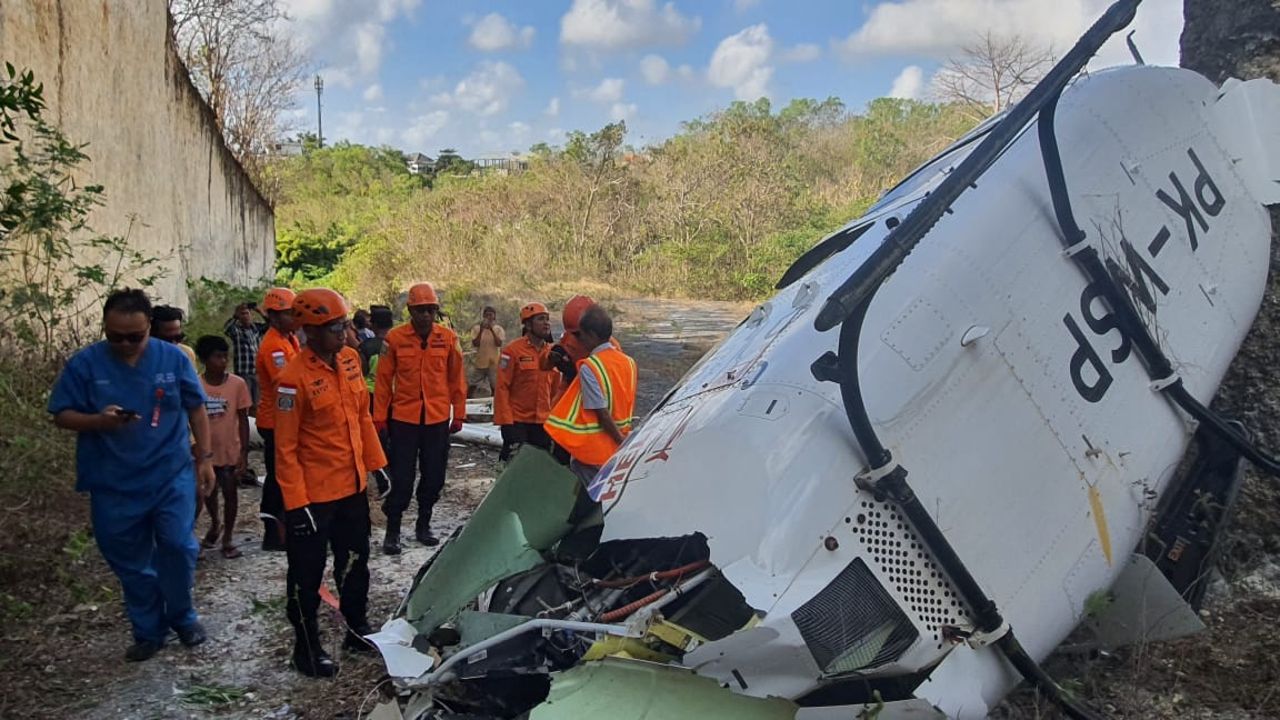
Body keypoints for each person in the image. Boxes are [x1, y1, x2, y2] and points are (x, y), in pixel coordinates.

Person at [47, 289, 215, 662]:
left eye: (134, 336)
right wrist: (97, 421)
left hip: (169, 474)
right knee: (130, 560)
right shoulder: (85, 365)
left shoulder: (172, 359)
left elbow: (196, 409)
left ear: (149, 328)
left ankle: (183, 616)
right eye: (115, 336)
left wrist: (204, 458)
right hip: (114, 481)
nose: (125, 344)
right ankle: (148, 629)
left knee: (178, 546)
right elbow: (61, 414)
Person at [274, 288, 389, 677]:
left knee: (356, 564)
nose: (343, 333)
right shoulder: (293, 380)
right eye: (334, 327)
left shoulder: (352, 362)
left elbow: (362, 419)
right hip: (314, 497)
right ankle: (306, 649)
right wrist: (295, 502)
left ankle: (356, 631)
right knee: (306, 575)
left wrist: (378, 466)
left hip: (351, 488)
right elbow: (284, 448)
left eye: (343, 325)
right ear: (309, 330)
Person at [373, 282, 466, 553]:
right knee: (401, 478)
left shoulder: (448, 339)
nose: (425, 315)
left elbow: (456, 379)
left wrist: (458, 413)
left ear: (436, 311)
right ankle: (393, 531)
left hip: (436, 420)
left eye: (430, 309)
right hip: (403, 419)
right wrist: (379, 417)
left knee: (434, 476)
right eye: (420, 310)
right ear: (410, 311)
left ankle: (423, 524)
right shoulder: (394, 339)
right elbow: (383, 381)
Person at [544, 304, 637, 486]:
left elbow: (600, 412)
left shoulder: (591, 366)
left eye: (582, 336)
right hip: (618, 444)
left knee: (593, 500)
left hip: (594, 451)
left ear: (592, 335)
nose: (580, 341)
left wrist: (620, 441)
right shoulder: (629, 362)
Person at [194, 335, 252, 559]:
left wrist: (244, 452)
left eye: (225, 356)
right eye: (217, 357)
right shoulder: (197, 384)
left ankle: (228, 537)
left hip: (229, 448)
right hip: (206, 450)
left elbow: (243, 418)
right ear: (205, 359)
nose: (223, 361)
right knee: (208, 492)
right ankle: (215, 523)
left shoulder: (237, 384)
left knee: (230, 492)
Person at [255, 287, 301, 551]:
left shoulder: (289, 339)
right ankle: (273, 533)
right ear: (273, 316)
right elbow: (287, 380)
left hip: (284, 420)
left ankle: (282, 529)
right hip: (274, 422)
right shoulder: (274, 346)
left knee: (284, 474)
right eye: (288, 314)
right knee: (277, 477)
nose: (293, 318)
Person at [494, 302, 557, 462]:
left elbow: (556, 389)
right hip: (517, 421)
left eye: (547, 319)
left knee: (538, 467)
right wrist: (506, 422)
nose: (546, 323)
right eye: (541, 319)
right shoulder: (512, 351)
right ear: (528, 325)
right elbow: (502, 387)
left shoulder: (553, 353)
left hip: (543, 422)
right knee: (513, 466)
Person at [223, 302, 267, 407]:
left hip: (257, 372)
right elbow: (226, 328)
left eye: (247, 313)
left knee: (258, 403)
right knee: (245, 402)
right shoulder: (236, 331)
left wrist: (259, 310)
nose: (245, 316)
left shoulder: (256, 329)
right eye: (242, 314)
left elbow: (272, 324)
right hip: (243, 373)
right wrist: (235, 315)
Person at [467, 306, 505, 397]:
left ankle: (494, 405)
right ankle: (467, 402)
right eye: (486, 315)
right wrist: (481, 330)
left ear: (494, 317)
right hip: (480, 363)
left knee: (495, 386)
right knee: (472, 385)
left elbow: (499, 343)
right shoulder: (476, 329)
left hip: (493, 363)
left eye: (491, 315)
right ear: (483, 316)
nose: (489, 317)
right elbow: (475, 343)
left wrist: (491, 329)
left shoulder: (498, 329)